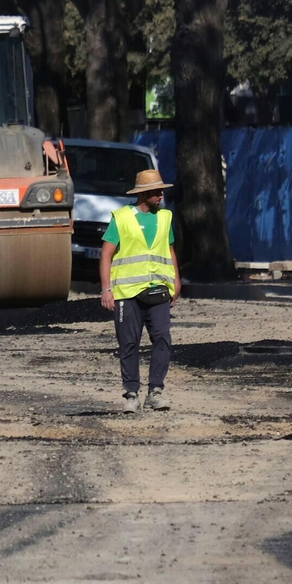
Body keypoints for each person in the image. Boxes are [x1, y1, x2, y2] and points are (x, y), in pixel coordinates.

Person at [99, 168, 180, 414]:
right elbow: (106, 254)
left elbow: (170, 250)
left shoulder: (165, 217)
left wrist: (176, 280)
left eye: (162, 192)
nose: (161, 196)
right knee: (129, 343)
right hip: (127, 293)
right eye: (157, 192)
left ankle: (155, 391)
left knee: (163, 339)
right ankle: (131, 394)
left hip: (158, 290)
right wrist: (106, 289)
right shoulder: (122, 218)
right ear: (144, 194)